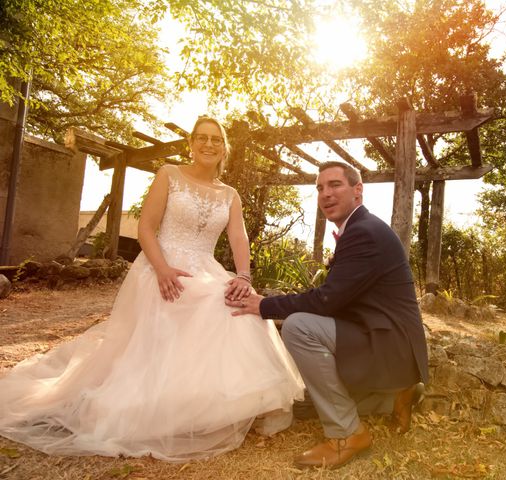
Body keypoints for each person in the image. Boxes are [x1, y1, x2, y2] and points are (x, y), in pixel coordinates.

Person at [0, 116, 304, 462]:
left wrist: (244, 276)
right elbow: (146, 227)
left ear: (224, 148)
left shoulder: (230, 195)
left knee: (239, 305)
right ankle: (166, 407)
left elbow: (239, 236)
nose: (208, 144)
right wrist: (162, 270)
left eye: (215, 139)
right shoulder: (169, 175)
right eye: (201, 138)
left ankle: (223, 405)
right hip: (161, 264)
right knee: (188, 316)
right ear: (190, 143)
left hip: (205, 267)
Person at [226, 161, 429, 469]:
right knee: (305, 405)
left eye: (335, 185)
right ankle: (397, 396)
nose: (325, 194)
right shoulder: (361, 228)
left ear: (357, 190)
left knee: (298, 327)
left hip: (388, 341)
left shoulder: (364, 232)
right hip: (380, 334)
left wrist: (263, 305)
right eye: (320, 188)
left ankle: (347, 433)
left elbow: (325, 301)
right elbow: (340, 298)